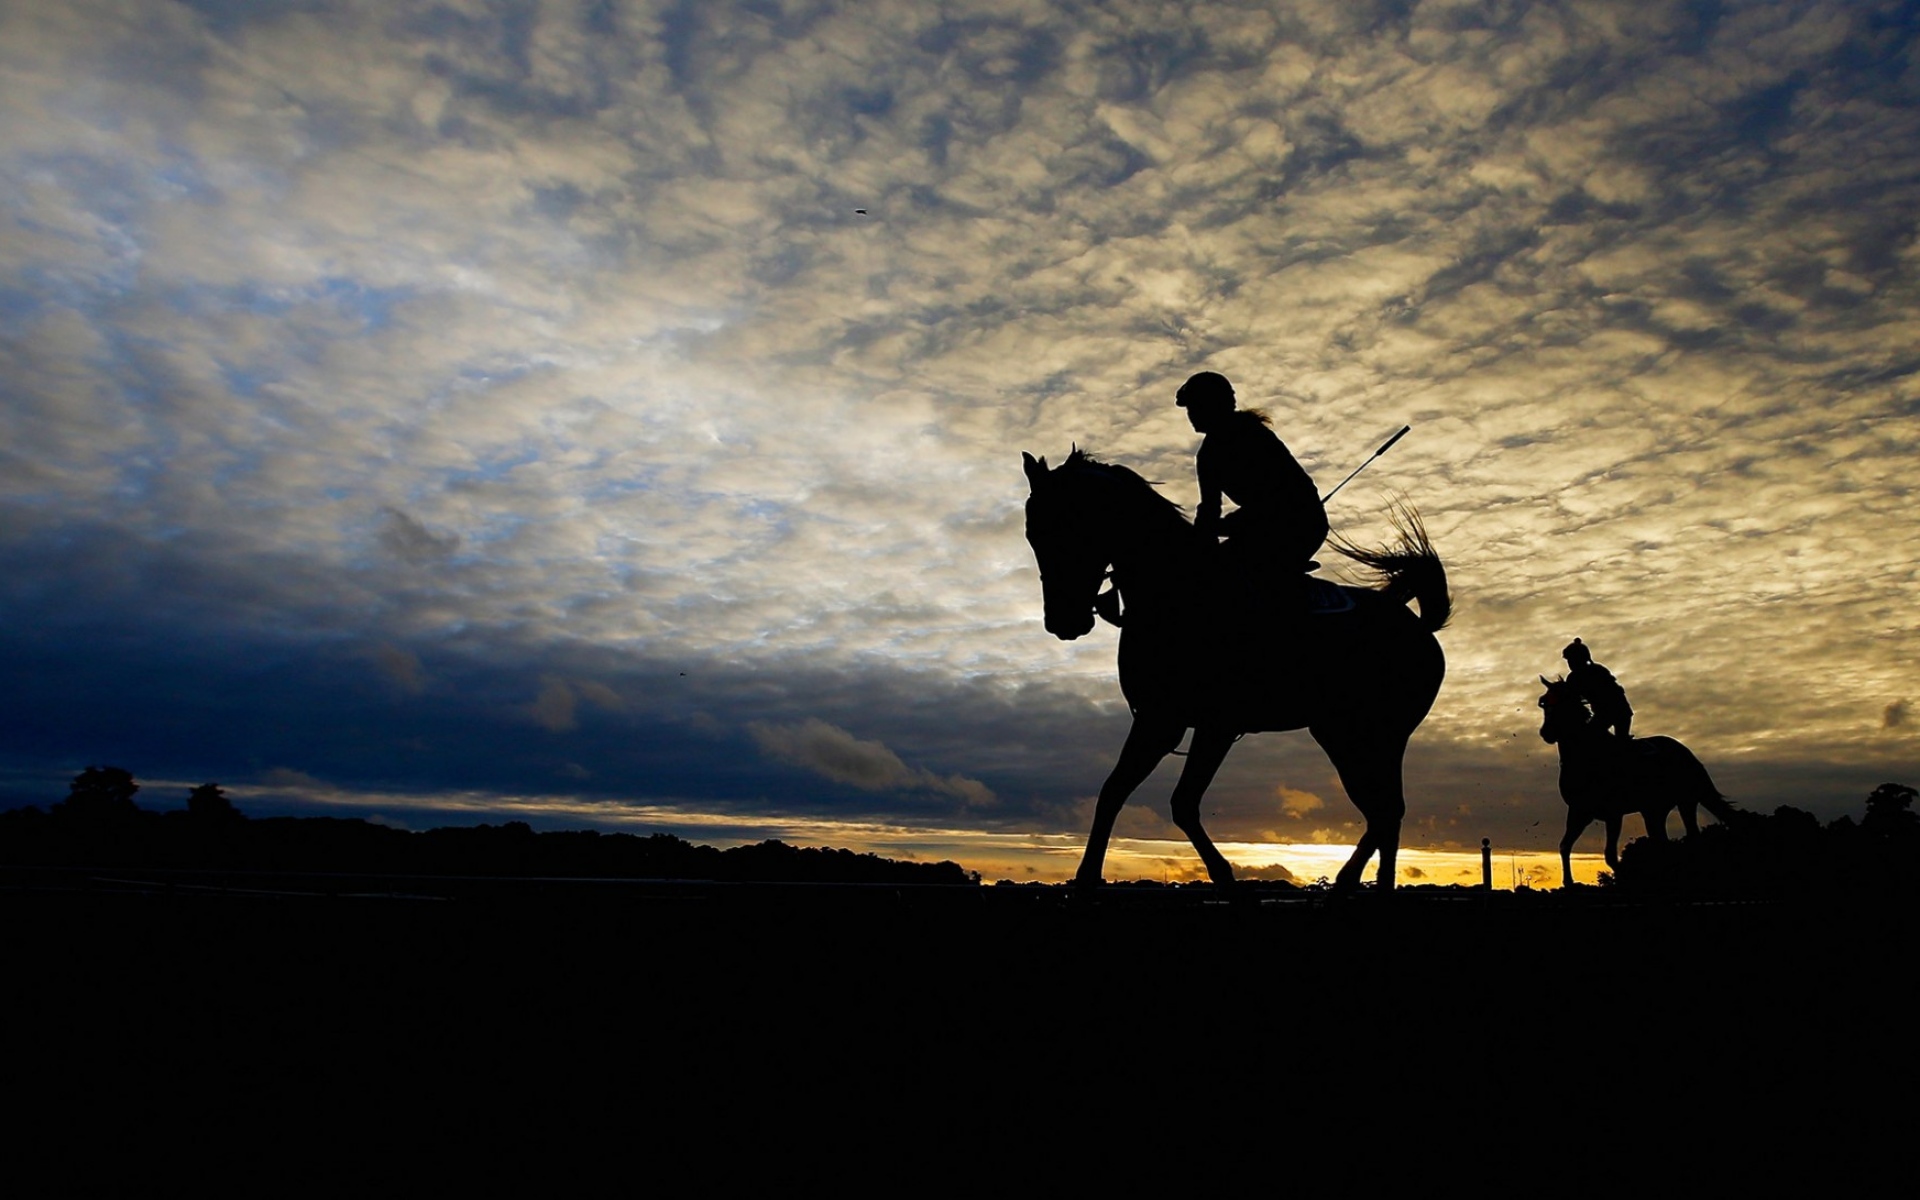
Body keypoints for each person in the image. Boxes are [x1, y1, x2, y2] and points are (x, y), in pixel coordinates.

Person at [1176, 371, 1327, 607]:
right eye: (1189, 409)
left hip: (1300, 524)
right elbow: (1209, 507)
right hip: (1258, 528)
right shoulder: (1206, 455)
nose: (1191, 415)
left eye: (1195, 406)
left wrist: (1227, 525)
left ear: (1214, 404)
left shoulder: (1252, 435)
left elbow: (1277, 496)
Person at [1562, 638, 1633, 740]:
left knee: (1621, 741)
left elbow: (1612, 694)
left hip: (1619, 712)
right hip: (1602, 714)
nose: (1570, 663)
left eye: (1572, 660)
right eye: (1569, 660)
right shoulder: (1573, 678)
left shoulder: (1597, 671)